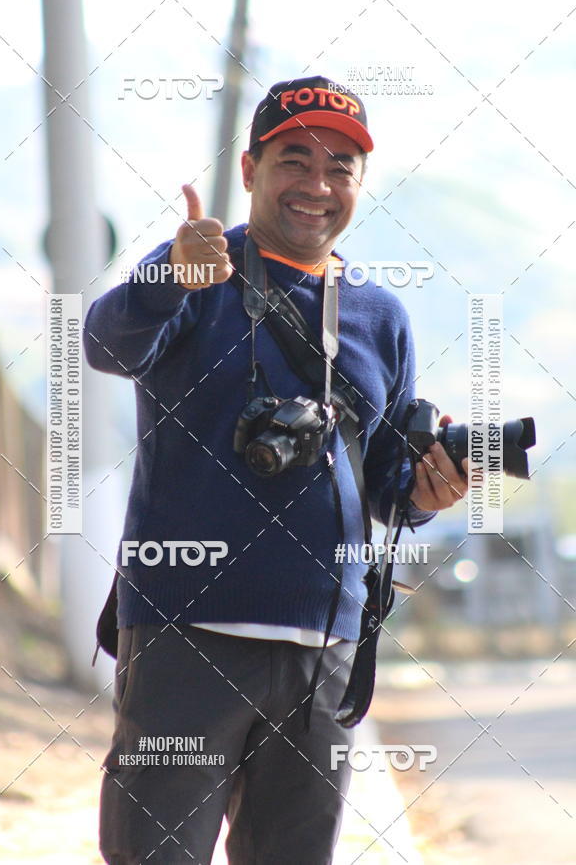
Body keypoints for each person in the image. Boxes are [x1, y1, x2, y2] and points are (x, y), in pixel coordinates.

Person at [84, 76, 468, 865]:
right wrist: (167, 278)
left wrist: (431, 494)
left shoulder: (379, 315)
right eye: (295, 161)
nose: (317, 186)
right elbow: (104, 345)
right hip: (188, 635)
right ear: (251, 170)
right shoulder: (198, 268)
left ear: (361, 184)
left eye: (341, 167)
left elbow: (390, 484)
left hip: (323, 654)